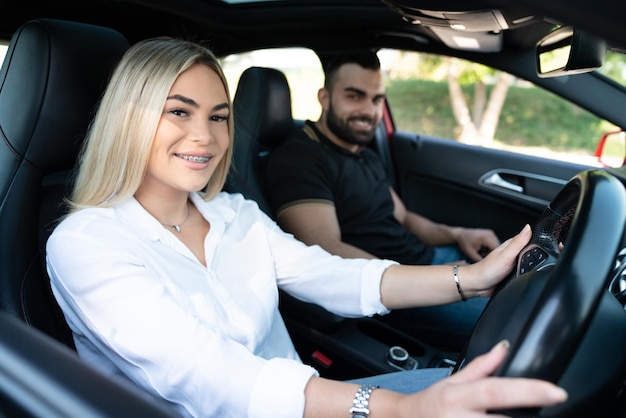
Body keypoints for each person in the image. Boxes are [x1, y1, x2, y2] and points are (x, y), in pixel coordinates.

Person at [45, 37, 567, 418]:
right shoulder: (87, 243)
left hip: (308, 405)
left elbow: (335, 274)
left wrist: (466, 277)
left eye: (220, 116)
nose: (203, 136)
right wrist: (393, 409)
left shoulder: (234, 214)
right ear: (128, 119)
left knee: (507, 390)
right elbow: (211, 377)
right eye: (178, 112)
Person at [265, 49, 499, 351]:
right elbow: (325, 251)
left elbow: (403, 218)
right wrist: (435, 279)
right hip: (395, 292)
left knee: (528, 285)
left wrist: (458, 234)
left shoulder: (363, 154)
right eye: (354, 96)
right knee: (514, 320)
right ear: (324, 97)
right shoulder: (299, 159)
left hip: (426, 263)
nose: (369, 110)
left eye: (376, 99)